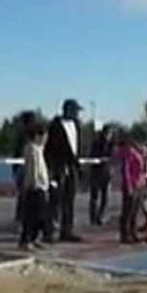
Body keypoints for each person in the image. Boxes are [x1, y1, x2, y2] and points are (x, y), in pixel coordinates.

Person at [45, 99, 83, 242]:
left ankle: (67, 230)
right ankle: (50, 232)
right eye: (75, 111)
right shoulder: (54, 126)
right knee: (56, 201)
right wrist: (52, 168)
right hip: (59, 167)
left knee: (70, 201)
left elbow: (76, 148)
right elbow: (49, 149)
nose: (77, 114)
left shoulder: (76, 125)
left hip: (72, 166)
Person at [19, 122, 52, 250]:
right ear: (38, 136)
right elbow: (33, 170)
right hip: (35, 187)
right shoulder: (32, 150)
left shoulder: (39, 149)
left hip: (41, 186)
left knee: (40, 216)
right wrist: (33, 185)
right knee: (33, 216)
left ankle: (33, 238)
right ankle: (26, 240)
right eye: (44, 136)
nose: (46, 139)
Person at [118, 132, 145, 245]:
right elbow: (126, 169)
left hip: (138, 185)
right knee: (127, 212)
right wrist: (129, 185)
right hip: (131, 185)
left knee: (134, 211)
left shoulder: (139, 151)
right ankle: (125, 234)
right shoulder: (129, 151)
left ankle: (133, 233)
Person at [12, 110, 37, 227]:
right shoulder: (24, 136)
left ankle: (23, 218)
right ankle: (21, 218)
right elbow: (18, 153)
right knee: (24, 195)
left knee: (26, 195)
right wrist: (16, 169)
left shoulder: (29, 135)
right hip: (23, 169)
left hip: (26, 168)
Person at [88, 124, 115, 226]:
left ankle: (101, 217)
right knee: (94, 197)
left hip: (107, 173)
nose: (109, 135)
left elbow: (112, 156)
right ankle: (93, 217)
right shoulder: (97, 143)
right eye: (108, 133)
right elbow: (93, 155)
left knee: (106, 197)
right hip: (96, 172)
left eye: (110, 133)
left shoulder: (111, 144)